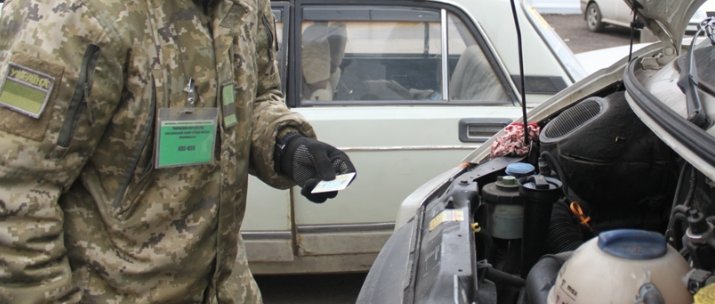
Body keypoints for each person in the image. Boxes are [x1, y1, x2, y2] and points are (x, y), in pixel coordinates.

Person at [0, 0, 355, 303]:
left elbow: (258, 95)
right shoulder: (73, 15)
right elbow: (14, 196)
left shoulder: (244, 7)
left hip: (225, 288)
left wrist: (287, 145)